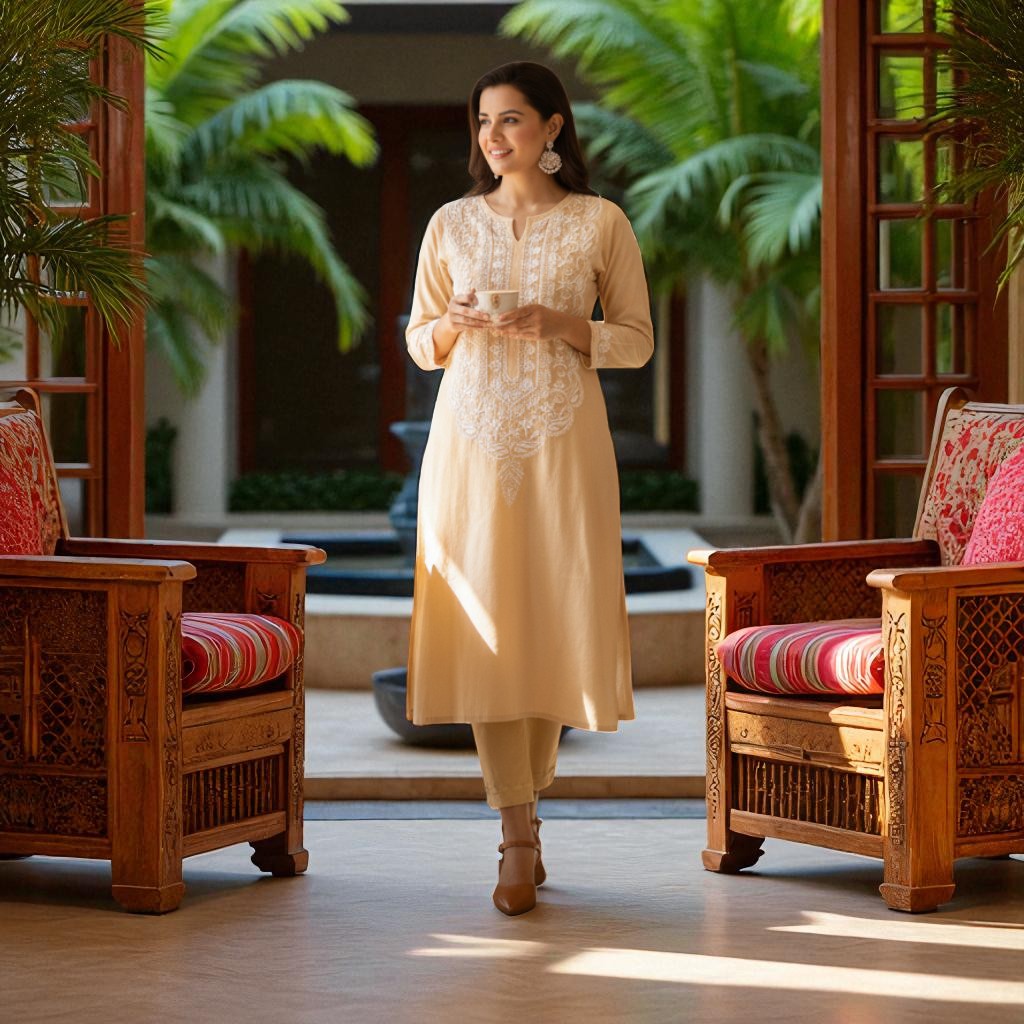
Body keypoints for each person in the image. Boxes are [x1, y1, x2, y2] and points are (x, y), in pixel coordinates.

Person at [405, 60, 654, 916]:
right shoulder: (450, 223)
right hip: (470, 444)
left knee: (549, 618)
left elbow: (638, 340)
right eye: (484, 122)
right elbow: (417, 340)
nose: (494, 136)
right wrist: (452, 323)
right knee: (486, 627)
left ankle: (529, 800)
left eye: (512, 120)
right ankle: (516, 832)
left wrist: (563, 326)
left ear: (553, 128)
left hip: (564, 444)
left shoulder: (600, 223)